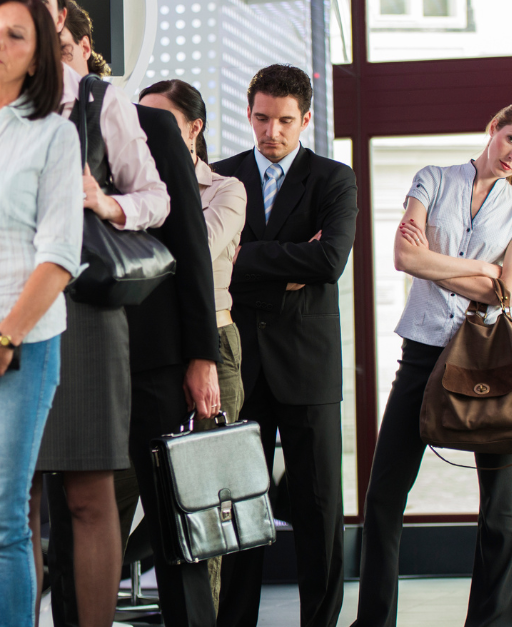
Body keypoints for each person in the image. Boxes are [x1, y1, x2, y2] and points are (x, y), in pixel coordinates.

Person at [352, 101, 512, 627]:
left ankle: (493, 622)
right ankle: (374, 620)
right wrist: (480, 268)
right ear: (494, 130)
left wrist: (439, 265)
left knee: (500, 507)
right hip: (421, 354)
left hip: (485, 358)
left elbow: (505, 290)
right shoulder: (433, 179)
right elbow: (404, 258)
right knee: (383, 496)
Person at [33, 1, 176, 626]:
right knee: (12, 502)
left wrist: (106, 202)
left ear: (62, 15)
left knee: (90, 493)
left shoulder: (98, 98)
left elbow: (158, 200)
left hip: (86, 312)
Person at [212, 64, 358, 627]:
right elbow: (206, 264)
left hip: (308, 367)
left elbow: (329, 261)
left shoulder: (333, 179)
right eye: (262, 118)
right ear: (249, 114)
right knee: (240, 508)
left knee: (320, 508)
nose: (272, 131)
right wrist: (284, 264)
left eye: (285, 121)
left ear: (307, 119)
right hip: (240, 363)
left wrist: (243, 258)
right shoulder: (222, 178)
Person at [0, 0, 83, 624]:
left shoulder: (54, 134)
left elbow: (59, 255)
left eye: (15, 34)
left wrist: (1, 337)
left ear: (37, 56)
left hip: (20, 343)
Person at [139, 78, 247, 614]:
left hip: (213, 341)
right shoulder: (138, 185)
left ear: (193, 128)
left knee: (204, 503)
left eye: (160, 122)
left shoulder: (224, 187)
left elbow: (192, 250)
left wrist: (134, 225)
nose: (146, 134)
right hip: (151, 342)